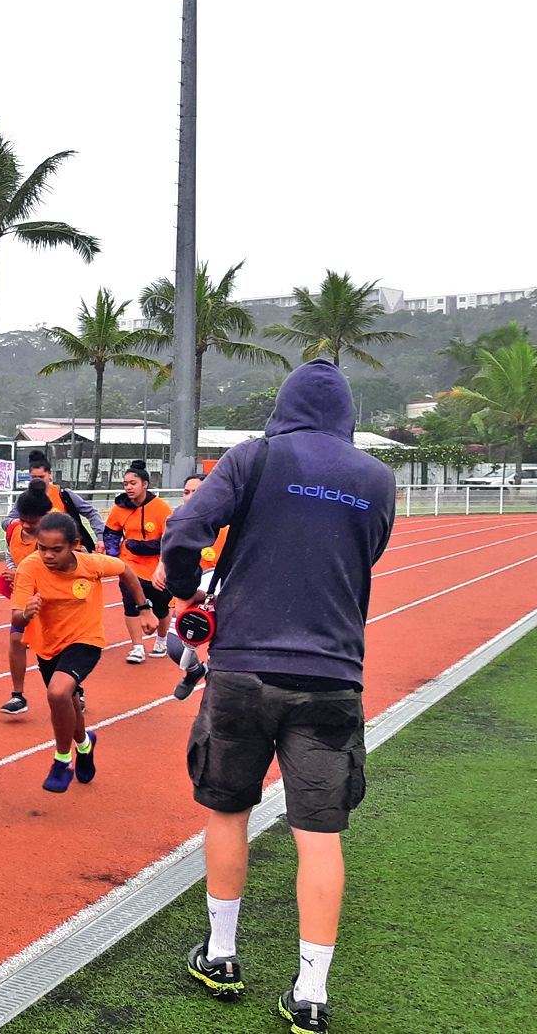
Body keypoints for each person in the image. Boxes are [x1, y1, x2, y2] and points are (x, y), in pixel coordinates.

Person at [162, 360, 395, 1033]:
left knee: (228, 809)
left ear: (284, 404)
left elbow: (185, 532)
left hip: (241, 669)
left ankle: (223, 954)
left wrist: (184, 589)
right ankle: (311, 993)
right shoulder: (375, 478)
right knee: (319, 835)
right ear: (346, 412)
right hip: (332, 676)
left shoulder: (251, 457)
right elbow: (366, 550)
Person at [11, 512, 154, 793]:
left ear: (75, 544)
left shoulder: (91, 564)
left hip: (85, 639)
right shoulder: (29, 568)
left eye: (56, 549)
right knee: (70, 702)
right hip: (48, 644)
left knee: (57, 693)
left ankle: (62, 759)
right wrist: (26, 613)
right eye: (42, 548)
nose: (48, 555)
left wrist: (144, 607)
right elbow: (16, 618)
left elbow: (125, 570)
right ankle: (85, 745)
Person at [105, 460, 173, 663]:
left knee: (161, 608)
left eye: (132, 483)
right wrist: (113, 554)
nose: (128, 487)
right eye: (125, 483)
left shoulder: (161, 508)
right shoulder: (119, 508)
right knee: (130, 604)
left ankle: (161, 641)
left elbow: (169, 539)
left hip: (156, 567)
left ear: (145, 484)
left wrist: (145, 547)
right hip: (129, 564)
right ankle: (137, 647)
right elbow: (111, 533)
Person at [0, 482, 54, 715]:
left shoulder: (55, 533)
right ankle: (18, 695)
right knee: (16, 641)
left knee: (53, 647)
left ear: (46, 516)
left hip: (52, 596)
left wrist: (20, 573)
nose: (28, 525)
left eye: (34, 521)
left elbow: (61, 566)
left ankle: (74, 691)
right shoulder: (13, 529)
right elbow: (10, 555)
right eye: (24, 520)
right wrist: (13, 573)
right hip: (24, 595)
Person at [1, 449, 105, 551]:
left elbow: (92, 512)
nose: (37, 480)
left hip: (69, 551)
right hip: (38, 551)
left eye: (41, 477)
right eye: (34, 477)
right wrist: (22, 522)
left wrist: (101, 537)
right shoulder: (25, 498)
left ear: (49, 474)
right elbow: (6, 522)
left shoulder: (64, 494)